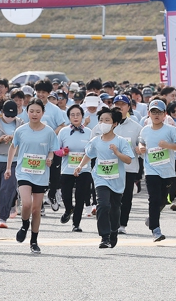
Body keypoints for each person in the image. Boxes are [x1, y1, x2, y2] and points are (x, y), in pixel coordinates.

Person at [5, 98, 58, 254]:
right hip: (24, 172)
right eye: (31, 111)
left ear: (43, 113)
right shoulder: (20, 130)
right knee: (26, 204)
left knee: (36, 210)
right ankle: (24, 225)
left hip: (41, 174)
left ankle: (34, 241)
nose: (34, 114)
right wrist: (8, 168)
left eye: (38, 111)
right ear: (27, 112)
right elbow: (12, 147)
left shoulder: (49, 132)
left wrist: (50, 158)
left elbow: (52, 150)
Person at [77, 107, 133, 248]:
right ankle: (104, 237)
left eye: (107, 120)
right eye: (101, 120)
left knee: (115, 209)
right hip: (100, 178)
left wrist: (117, 152)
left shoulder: (121, 141)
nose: (103, 123)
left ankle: (114, 230)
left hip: (116, 180)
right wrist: (80, 166)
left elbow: (128, 160)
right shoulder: (96, 141)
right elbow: (89, 154)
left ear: (114, 124)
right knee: (103, 205)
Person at [136, 100, 176, 242]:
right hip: (151, 170)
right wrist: (141, 147)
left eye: (159, 112)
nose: (156, 115)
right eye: (153, 112)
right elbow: (141, 142)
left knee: (164, 200)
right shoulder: (145, 130)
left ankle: (152, 218)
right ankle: (156, 230)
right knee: (154, 199)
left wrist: (167, 145)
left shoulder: (171, 130)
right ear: (149, 114)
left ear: (164, 114)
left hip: (167, 171)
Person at [0, 100, 23, 228]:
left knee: (7, 188)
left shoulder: (21, 124)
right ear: (2, 112)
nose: (10, 118)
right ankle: (7, 202)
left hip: (13, 161)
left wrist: (14, 139)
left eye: (12, 116)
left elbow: (24, 141)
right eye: (7, 115)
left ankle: (3, 217)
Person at [33, 78, 67, 212]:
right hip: (36, 147)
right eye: (39, 92)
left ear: (48, 93)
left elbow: (62, 125)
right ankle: (39, 205)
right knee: (37, 174)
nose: (41, 94)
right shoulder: (31, 107)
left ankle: (52, 194)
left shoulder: (54, 109)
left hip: (52, 146)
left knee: (54, 176)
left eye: (44, 92)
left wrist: (50, 134)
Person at [57, 104, 92, 232]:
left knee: (80, 197)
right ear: (69, 117)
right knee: (66, 195)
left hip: (84, 169)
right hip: (67, 169)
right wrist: (63, 152)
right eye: (72, 115)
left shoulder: (89, 132)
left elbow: (93, 151)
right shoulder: (63, 131)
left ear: (82, 116)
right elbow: (56, 150)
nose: (75, 117)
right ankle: (68, 209)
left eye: (78, 114)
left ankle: (76, 224)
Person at [111, 94, 143, 235]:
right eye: (117, 104)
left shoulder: (136, 127)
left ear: (128, 107)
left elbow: (141, 144)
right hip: (111, 167)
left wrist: (140, 149)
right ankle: (113, 222)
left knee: (126, 197)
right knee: (112, 197)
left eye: (123, 104)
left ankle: (122, 224)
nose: (119, 107)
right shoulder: (107, 124)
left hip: (129, 168)